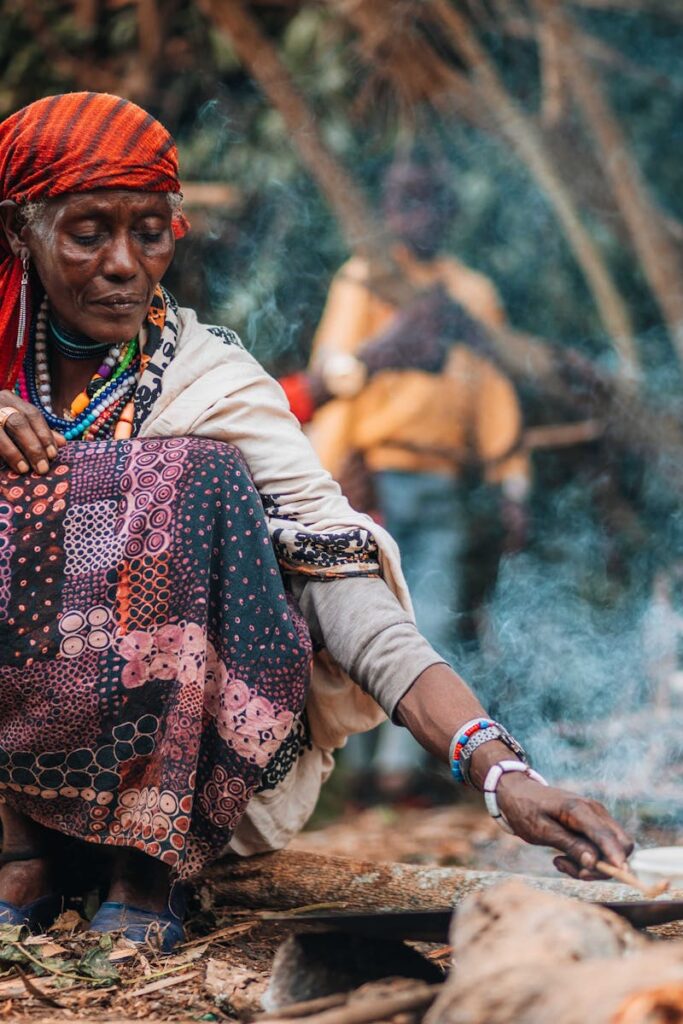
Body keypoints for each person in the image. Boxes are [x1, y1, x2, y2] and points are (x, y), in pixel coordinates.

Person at [0, 92, 631, 953]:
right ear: (18, 232)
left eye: (148, 231)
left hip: (165, 771)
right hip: (15, 764)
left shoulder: (210, 380)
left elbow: (340, 574)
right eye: (86, 232)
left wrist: (499, 771)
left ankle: (146, 864)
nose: (122, 263)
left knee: (197, 472)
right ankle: (20, 853)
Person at [293, 158, 530, 795]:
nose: (417, 215)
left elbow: (494, 392)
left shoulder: (471, 294)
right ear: (386, 210)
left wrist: (512, 481)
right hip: (370, 481)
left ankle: (397, 775)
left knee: (432, 621)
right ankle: (357, 777)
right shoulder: (368, 278)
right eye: (404, 201)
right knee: (363, 623)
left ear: (451, 212)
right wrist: (325, 482)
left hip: (441, 481)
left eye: (430, 201)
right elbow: (335, 377)